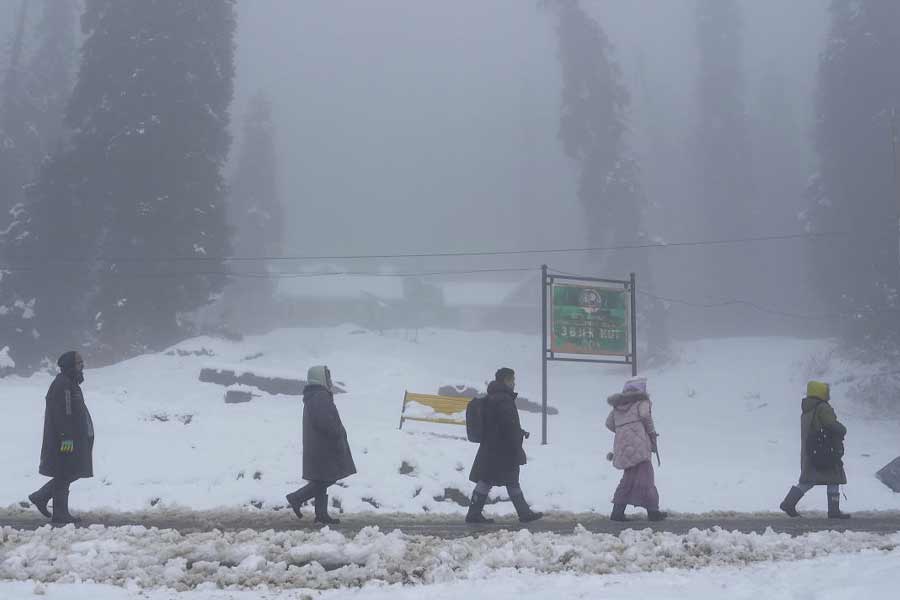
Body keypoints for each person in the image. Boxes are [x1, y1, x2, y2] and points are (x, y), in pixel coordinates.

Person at [466, 368, 543, 524]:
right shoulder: (504, 399)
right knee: (510, 480)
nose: (514, 383)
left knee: (487, 480)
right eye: (512, 380)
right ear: (506, 380)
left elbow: (497, 423)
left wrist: (518, 432)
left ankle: (474, 514)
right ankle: (524, 513)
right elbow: (509, 424)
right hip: (503, 449)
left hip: (491, 447)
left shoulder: (492, 397)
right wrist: (517, 440)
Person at [29, 351, 95, 524]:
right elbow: (63, 414)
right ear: (70, 365)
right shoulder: (63, 385)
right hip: (65, 440)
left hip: (73, 438)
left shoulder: (70, 383)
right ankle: (58, 511)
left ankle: (42, 497)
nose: (82, 366)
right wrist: (66, 438)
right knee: (66, 472)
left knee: (70, 471)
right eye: (79, 363)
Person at [286, 365, 355, 524]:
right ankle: (296, 498)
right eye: (327, 377)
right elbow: (325, 421)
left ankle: (321, 515)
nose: (330, 380)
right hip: (324, 446)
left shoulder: (314, 395)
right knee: (327, 478)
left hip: (318, 445)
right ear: (320, 377)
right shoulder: (320, 396)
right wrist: (337, 432)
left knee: (322, 479)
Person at [779, 380, 850, 519]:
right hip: (826, 450)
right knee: (834, 478)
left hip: (812, 451)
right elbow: (830, 424)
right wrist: (842, 429)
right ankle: (834, 511)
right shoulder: (822, 407)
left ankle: (788, 503)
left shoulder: (807, 408)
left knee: (808, 480)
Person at [606, 377, 667, 522]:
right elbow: (646, 416)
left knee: (628, 478)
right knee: (647, 476)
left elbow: (609, 423)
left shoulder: (618, 406)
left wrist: (623, 431)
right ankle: (653, 512)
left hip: (623, 447)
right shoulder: (642, 402)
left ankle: (617, 512)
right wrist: (651, 434)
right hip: (640, 446)